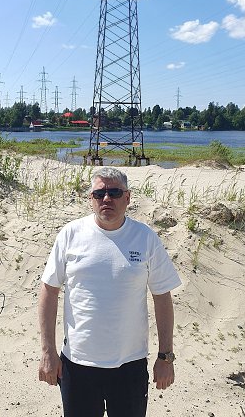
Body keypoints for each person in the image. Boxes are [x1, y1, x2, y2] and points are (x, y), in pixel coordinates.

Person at [38, 166, 181, 417]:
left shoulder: (145, 238)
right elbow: (49, 291)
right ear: (91, 199)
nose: (106, 199)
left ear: (127, 198)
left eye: (114, 193)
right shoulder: (70, 234)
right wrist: (48, 352)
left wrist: (165, 357)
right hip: (78, 364)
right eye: (99, 193)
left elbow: (162, 296)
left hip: (130, 365)